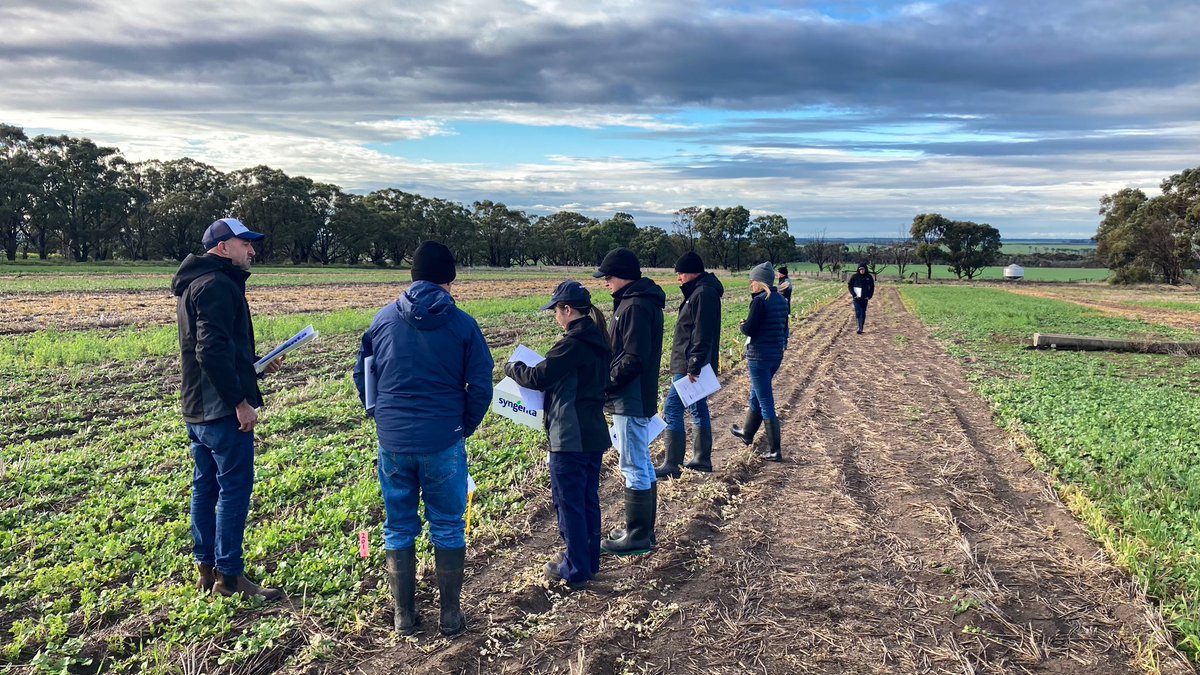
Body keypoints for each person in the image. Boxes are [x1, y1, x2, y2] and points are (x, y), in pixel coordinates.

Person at [353, 240, 493, 637]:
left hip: (393, 441)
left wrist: (380, 416)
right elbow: (481, 385)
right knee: (447, 524)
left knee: (398, 526)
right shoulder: (463, 324)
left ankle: (404, 616)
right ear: (449, 280)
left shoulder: (382, 320)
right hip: (443, 439)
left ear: (412, 276)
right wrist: (463, 425)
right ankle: (450, 617)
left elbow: (363, 375)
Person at [172, 217, 285, 601]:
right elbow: (210, 351)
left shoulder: (194, 284)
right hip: (221, 412)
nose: (252, 250)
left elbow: (215, 348)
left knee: (205, 487)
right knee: (234, 490)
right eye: (245, 243)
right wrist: (240, 403)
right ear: (223, 247)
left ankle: (206, 569)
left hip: (197, 408)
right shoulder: (218, 285)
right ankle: (230, 577)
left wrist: (256, 366)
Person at [504, 281, 611, 588]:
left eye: (556, 310)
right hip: (593, 432)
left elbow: (538, 376)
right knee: (587, 500)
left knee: (569, 503)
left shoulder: (573, 343)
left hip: (569, 435)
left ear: (567, 310)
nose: (555, 316)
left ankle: (574, 569)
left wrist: (512, 367)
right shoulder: (599, 339)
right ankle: (588, 561)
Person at [593, 247, 665, 556]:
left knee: (633, 464)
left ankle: (637, 536)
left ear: (622, 276)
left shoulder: (635, 305)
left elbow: (633, 357)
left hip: (630, 398)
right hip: (633, 396)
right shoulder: (636, 302)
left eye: (608, 276)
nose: (605, 282)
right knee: (641, 461)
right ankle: (643, 530)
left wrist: (605, 381)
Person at [655, 251, 723, 478]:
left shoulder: (703, 293)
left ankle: (672, 464)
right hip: (692, 362)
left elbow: (702, 333)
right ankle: (701, 459)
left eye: (681, 273)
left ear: (693, 273)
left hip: (689, 365)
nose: (679, 278)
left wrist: (694, 365)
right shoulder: (701, 291)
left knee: (672, 408)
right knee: (697, 407)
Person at [730, 262, 789, 462]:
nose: (751, 284)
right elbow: (784, 328)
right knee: (756, 394)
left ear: (760, 282)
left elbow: (750, 329)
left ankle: (775, 450)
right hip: (775, 355)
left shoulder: (759, 301)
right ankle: (747, 433)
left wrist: (743, 325)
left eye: (753, 281)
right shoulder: (781, 300)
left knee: (766, 402)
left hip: (759, 357)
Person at [848, 263, 875, 334]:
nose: (862, 270)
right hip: (856, 298)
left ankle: (861, 327)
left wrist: (869, 296)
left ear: (865, 269)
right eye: (860, 269)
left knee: (863, 312)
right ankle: (859, 328)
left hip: (864, 298)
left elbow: (872, 287)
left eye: (863, 269)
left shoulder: (869, 277)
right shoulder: (854, 276)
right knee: (858, 311)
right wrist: (854, 294)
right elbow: (850, 285)